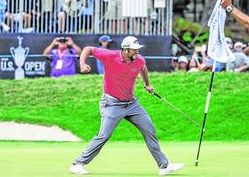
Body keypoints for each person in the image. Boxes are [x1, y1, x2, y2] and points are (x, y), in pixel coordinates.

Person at [70, 36, 184, 175]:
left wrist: (147, 84)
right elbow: (88, 49)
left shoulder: (139, 59)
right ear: (125, 49)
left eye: (137, 49)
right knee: (104, 135)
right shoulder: (110, 56)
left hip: (132, 104)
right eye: (134, 50)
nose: (136, 52)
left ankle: (164, 166)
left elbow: (143, 68)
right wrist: (82, 64)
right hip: (112, 104)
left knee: (149, 130)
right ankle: (78, 164)